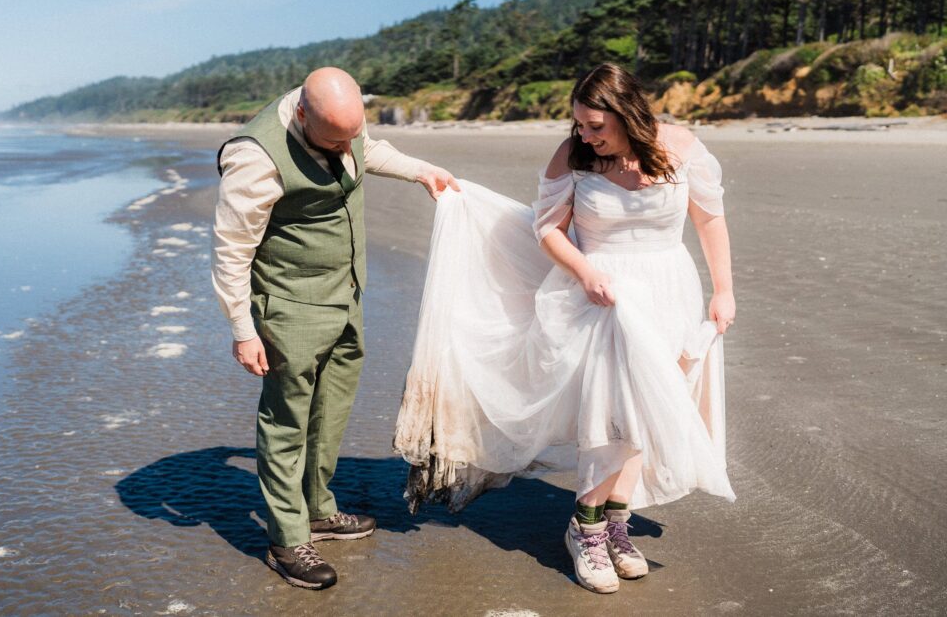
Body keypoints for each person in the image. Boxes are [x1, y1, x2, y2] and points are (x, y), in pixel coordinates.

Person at [395, 62, 735, 594]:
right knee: (611, 412)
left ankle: (617, 523)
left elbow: (710, 220)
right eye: (579, 124)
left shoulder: (682, 147)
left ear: (629, 116)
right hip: (600, 295)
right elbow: (546, 228)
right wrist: (585, 271)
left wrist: (723, 291)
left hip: (670, 288)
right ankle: (587, 528)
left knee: (647, 410)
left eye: (596, 126)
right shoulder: (573, 156)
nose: (585, 135)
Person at [212, 67, 458, 590]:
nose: (348, 147)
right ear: (302, 113)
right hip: (290, 306)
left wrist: (421, 170)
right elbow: (231, 252)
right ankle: (286, 537)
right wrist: (242, 329)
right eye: (335, 140)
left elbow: (371, 149)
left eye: (353, 135)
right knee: (286, 421)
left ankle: (320, 509)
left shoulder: (341, 123)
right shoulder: (254, 158)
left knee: (331, 410)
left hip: (346, 295)